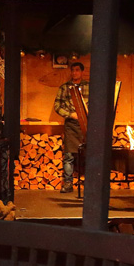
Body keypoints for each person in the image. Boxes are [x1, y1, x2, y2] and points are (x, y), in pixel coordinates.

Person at [52, 61, 88, 193]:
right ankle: (68, 183)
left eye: (77, 70)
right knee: (69, 156)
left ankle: (90, 183)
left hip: (86, 125)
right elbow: (57, 106)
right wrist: (70, 114)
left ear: (82, 72)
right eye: (73, 70)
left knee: (88, 154)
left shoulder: (89, 87)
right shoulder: (64, 88)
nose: (74, 73)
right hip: (71, 125)